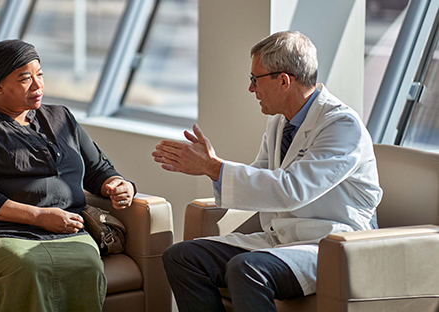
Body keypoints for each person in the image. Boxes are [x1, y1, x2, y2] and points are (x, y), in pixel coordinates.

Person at [153, 31, 382, 312]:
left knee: (246, 268)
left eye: (255, 79)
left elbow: (292, 190)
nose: (251, 89)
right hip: (282, 240)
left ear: (283, 80)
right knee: (182, 256)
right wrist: (210, 168)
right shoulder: (278, 123)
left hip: (331, 244)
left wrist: (213, 167)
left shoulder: (342, 126)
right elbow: (261, 177)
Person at [0, 39, 136, 312]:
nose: (38, 85)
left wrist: (119, 185)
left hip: (65, 232)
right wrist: (40, 217)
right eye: (25, 78)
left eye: (40, 75)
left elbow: (99, 170)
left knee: (87, 263)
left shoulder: (62, 118)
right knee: (30, 264)